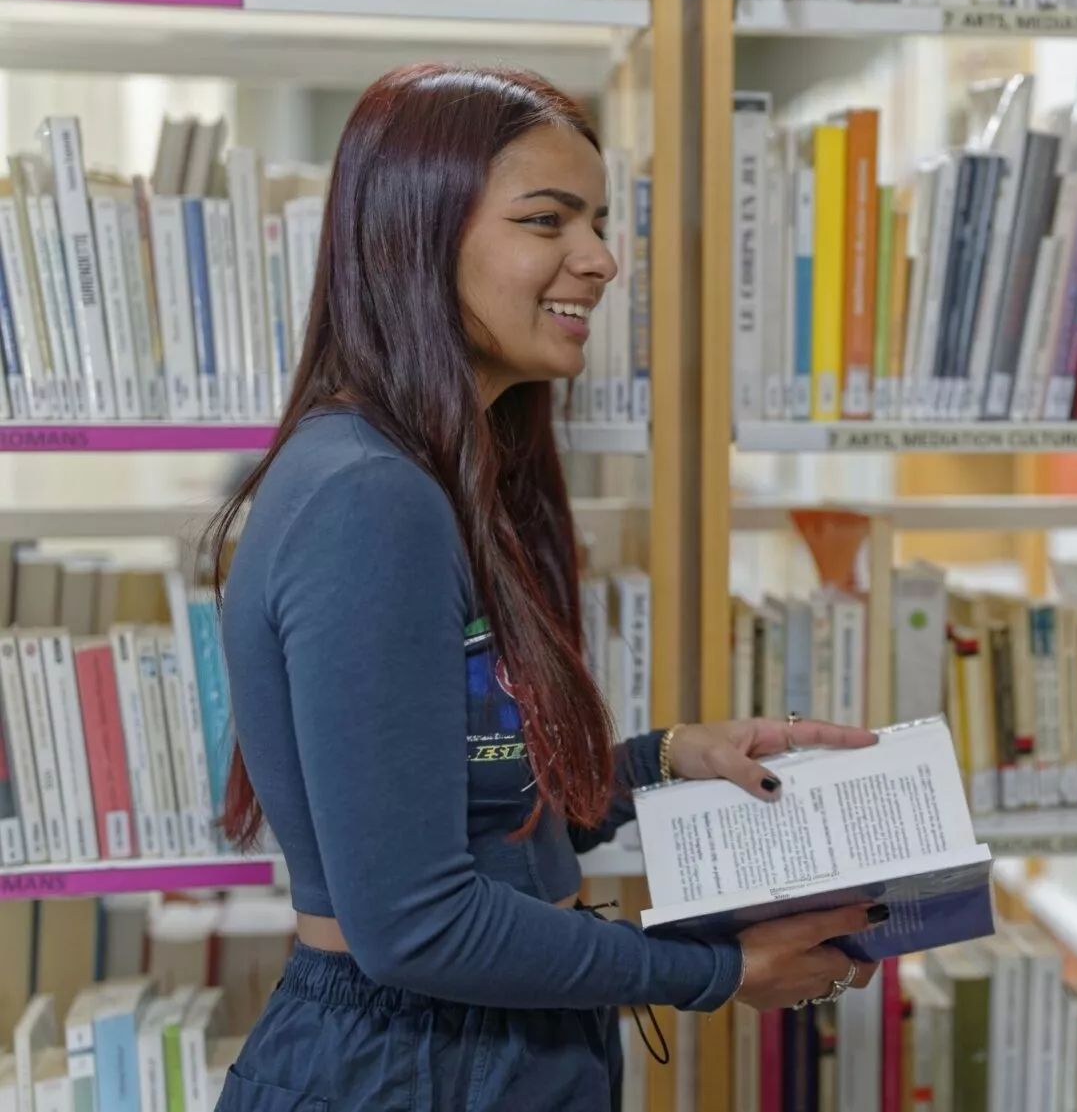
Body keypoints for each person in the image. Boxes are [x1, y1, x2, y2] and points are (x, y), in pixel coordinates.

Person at [209, 63, 884, 1111]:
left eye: (599, 221)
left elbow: (481, 823)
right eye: (546, 220)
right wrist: (720, 973)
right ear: (415, 235)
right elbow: (420, 924)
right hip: (414, 1073)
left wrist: (663, 762)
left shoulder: (441, 478)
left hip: (478, 1057)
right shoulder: (368, 501)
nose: (602, 259)